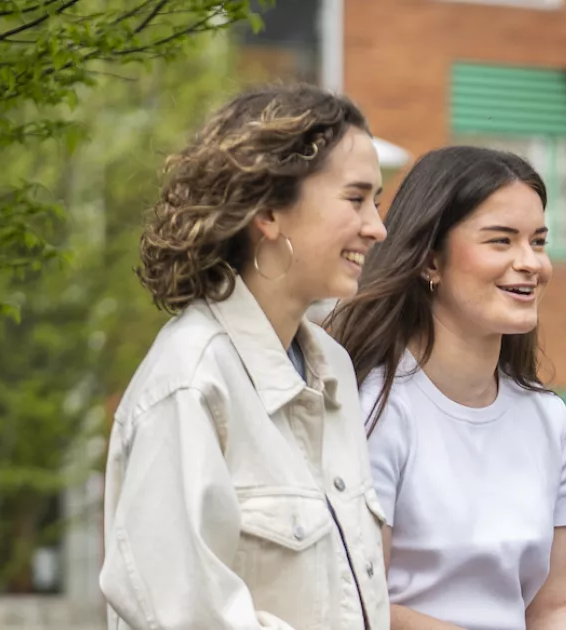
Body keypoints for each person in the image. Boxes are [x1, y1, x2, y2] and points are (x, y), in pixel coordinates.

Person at [99, 84, 391, 629]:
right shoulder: (189, 382)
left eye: (376, 200)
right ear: (269, 212)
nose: (377, 226)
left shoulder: (333, 368)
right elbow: (183, 616)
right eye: (356, 199)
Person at [326, 146, 566, 630]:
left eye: (539, 241)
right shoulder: (373, 408)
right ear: (430, 261)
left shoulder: (549, 420)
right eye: (501, 241)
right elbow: (360, 606)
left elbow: (556, 608)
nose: (531, 262)